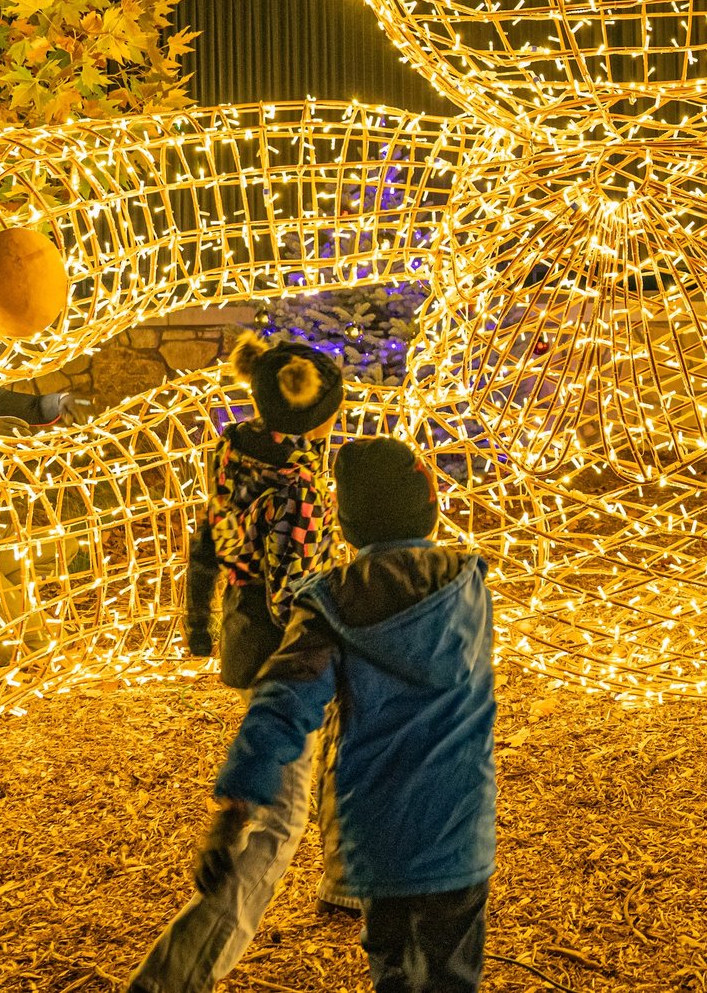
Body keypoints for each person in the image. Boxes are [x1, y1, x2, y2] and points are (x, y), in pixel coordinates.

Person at [197, 437, 496, 993]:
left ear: (347, 522)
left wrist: (233, 810)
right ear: (430, 506)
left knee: (395, 974)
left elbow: (281, 707)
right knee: (454, 975)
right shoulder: (469, 584)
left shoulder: (329, 605)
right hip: (461, 829)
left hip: (379, 837)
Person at [127, 336, 351, 993]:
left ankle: (348, 882)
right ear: (314, 410)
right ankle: (176, 975)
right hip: (287, 650)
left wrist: (201, 624)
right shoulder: (303, 486)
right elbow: (296, 593)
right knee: (277, 819)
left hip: (241, 628)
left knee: (337, 747)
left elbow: (206, 540)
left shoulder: (230, 449)